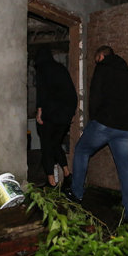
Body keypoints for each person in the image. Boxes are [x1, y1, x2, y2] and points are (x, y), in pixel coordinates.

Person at [65, 45, 128, 223]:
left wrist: (94, 119)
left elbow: (95, 95)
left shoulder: (102, 69)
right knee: (125, 170)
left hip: (103, 124)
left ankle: (77, 194)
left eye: (96, 57)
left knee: (82, 150)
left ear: (102, 56)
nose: (96, 60)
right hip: (124, 130)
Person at [34, 47, 78, 188]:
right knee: (55, 143)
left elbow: (42, 92)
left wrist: (39, 112)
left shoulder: (42, 69)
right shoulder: (61, 69)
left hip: (50, 114)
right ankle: (66, 174)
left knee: (47, 145)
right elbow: (71, 92)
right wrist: (71, 113)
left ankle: (51, 181)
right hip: (64, 115)